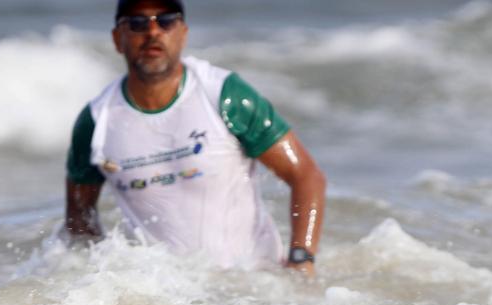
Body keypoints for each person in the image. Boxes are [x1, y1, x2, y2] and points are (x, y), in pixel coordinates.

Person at [64, 0, 326, 272]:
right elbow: (79, 222)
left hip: (253, 286)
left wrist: (301, 257)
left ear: (183, 33)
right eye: (137, 23)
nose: (153, 32)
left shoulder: (223, 95)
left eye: (165, 20)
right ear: (118, 39)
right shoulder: (97, 121)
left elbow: (306, 176)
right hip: (165, 297)